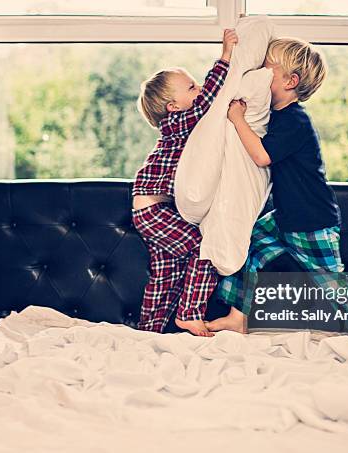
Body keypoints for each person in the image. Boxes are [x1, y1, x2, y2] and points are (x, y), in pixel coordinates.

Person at [206, 38, 348, 353]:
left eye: (267, 68)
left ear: (290, 81)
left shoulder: (295, 121)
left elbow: (262, 156)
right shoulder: (278, 116)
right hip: (287, 216)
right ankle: (237, 317)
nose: (260, 72)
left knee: (334, 282)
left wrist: (238, 119)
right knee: (252, 242)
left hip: (310, 220)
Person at [131, 28, 238, 337]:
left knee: (165, 275)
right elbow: (206, 101)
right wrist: (226, 56)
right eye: (191, 86)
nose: (199, 88)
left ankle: (147, 332)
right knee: (204, 248)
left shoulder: (181, 122)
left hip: (150, 210)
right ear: (173, 107)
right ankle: (189, 312)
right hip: (153, 212)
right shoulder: (178, 122)